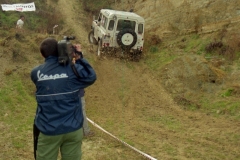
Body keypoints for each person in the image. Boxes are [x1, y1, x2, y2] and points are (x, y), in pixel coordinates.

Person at [30, 38, 96, 160]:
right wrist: (78, 56)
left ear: (42, 54)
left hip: (48, 129)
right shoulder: (73, 70)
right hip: (73, 128)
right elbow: (91, 76)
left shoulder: (36, 73)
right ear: (60, 51)